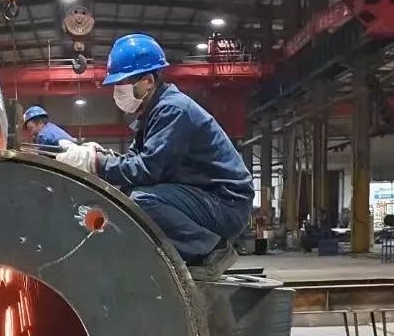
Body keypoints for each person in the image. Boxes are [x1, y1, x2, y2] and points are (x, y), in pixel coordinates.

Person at [56, 33, 253, 280]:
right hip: (206, 198)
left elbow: (147, 169)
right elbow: (136, 161)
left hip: (227, 203)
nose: (117, 91)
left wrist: (95, 163)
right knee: (130, 195)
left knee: (141, 201)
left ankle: (212, 251)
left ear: (148, 81)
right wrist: (99, 154)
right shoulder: (153, 114)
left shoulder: (173, 110)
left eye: (122, 83)